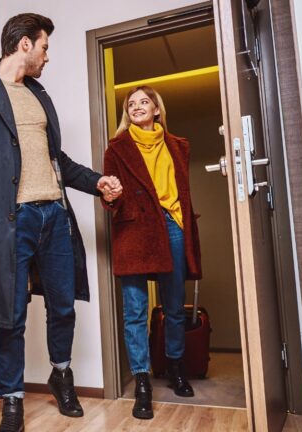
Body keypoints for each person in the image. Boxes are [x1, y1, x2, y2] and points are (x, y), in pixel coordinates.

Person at [0, 13, 122, 432]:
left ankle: (61, 375)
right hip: (10, 221)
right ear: (24, 45)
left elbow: (57, 160)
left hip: (55, 215)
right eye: (44, 47)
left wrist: (97, 182)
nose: (47, 56)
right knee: (10, 314)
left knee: (63, 305)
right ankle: (12, 399)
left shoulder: (39, 96)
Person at [101, 85, 202, 420]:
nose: (137, 107)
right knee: (134, 310)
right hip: (134, 230)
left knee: (174, 306)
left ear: (157, 109)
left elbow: (182, 191)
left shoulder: (178, 146)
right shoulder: (117, 147)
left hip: (171, 225)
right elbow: (110, 193)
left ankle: (175, 368)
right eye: (131, 104)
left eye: (144, 102)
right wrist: (109, 196)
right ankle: (142, 382)